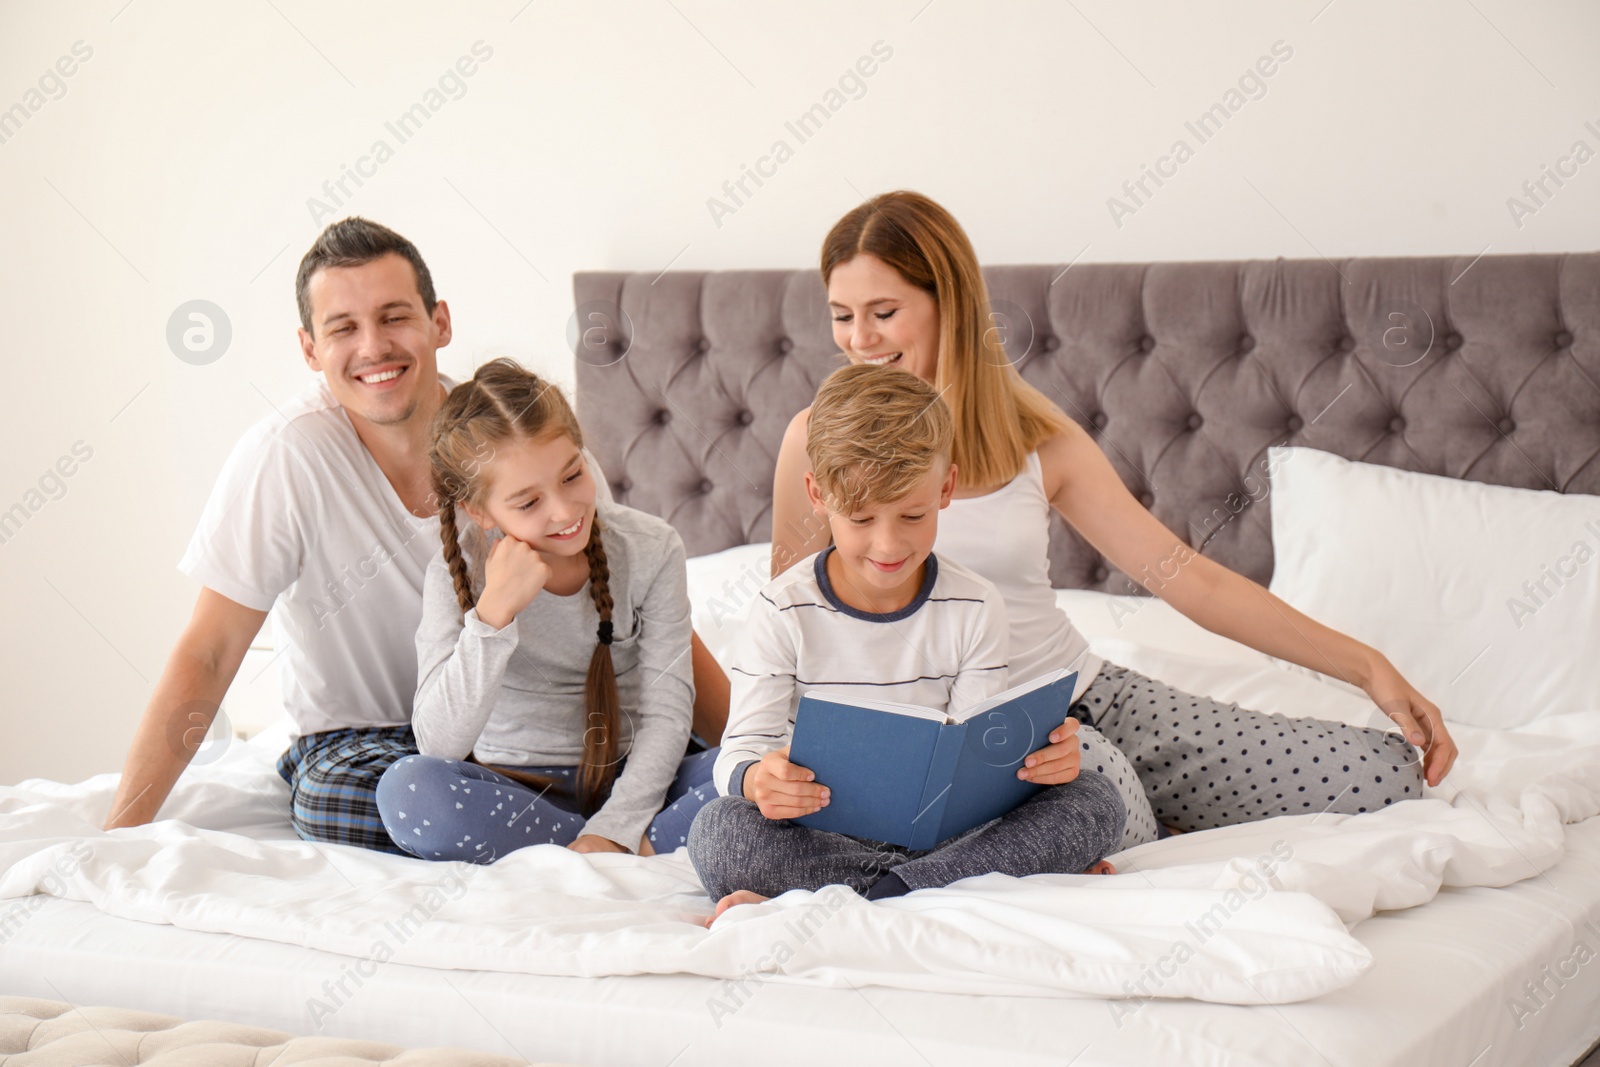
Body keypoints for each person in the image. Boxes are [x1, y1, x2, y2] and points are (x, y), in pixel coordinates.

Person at [765, 191, 1456, 835]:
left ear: (950, 303)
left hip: (1083, 692)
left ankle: (1174, 798)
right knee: (1104, 798)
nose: (859, 339)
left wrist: (1368, 667)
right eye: (841, 314)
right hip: (973, 743)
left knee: (1383, 781)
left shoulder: (1037, 441)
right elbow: (793, 627)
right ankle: (1135, 812)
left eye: (883, 312)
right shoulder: (812, 440)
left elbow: (1191, 580)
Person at [105, 217, 730, 852]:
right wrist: (118, 832)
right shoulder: (285, 457)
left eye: (394, 316)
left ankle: (596, 837)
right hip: (379, 741)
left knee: (732, 776)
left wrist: (753, 747)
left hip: (577, 742)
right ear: (310, 349)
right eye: (343, 328)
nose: (373, 347)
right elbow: (208, 653)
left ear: (440, 322)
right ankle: (619, 843)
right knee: (359, 797)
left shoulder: (535, 448)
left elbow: (645, 621)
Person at [690, 365, 1147, 919]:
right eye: (860, 518)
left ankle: (871, 898)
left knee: (1093, 799)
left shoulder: (976, 605)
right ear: (818, 494)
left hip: (948, 835)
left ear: (946, 488)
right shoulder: (782, 610)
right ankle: (935, 891)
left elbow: (979, 751)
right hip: (825, 835)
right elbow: (738, 750)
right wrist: (757, 777)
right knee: (719, 830)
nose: (888, 544)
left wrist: (1037, 762)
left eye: (912, 514)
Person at [375, 360, 716, 860]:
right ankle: (624, 850)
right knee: (408, 790)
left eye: (572, 475)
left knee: (756, 767)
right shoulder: (456, 577)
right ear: (480, 510)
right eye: (528, 502)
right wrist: (493, 617)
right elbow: (439, 743)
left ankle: (601, 846)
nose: (564, 511)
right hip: (520, 788)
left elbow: (668, 714)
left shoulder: (652, 548)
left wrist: (618, 822)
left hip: (641, 784)